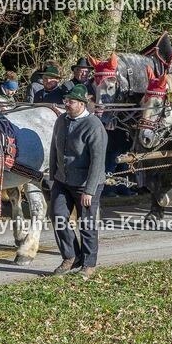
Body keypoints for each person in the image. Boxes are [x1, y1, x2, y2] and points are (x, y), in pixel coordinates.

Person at [49, 84, 107, 280]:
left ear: (82, 104)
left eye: (70, 101)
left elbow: (98, 161)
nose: (66, 104)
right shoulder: (61, 121)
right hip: (62, 180)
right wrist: (53, 176)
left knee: (87, 223)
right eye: (66, 100)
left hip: (86, 183)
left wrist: (89, 191)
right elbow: (54, 148)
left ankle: (89, 264)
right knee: (57, 215)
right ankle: (71, 256)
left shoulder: (93, 126)